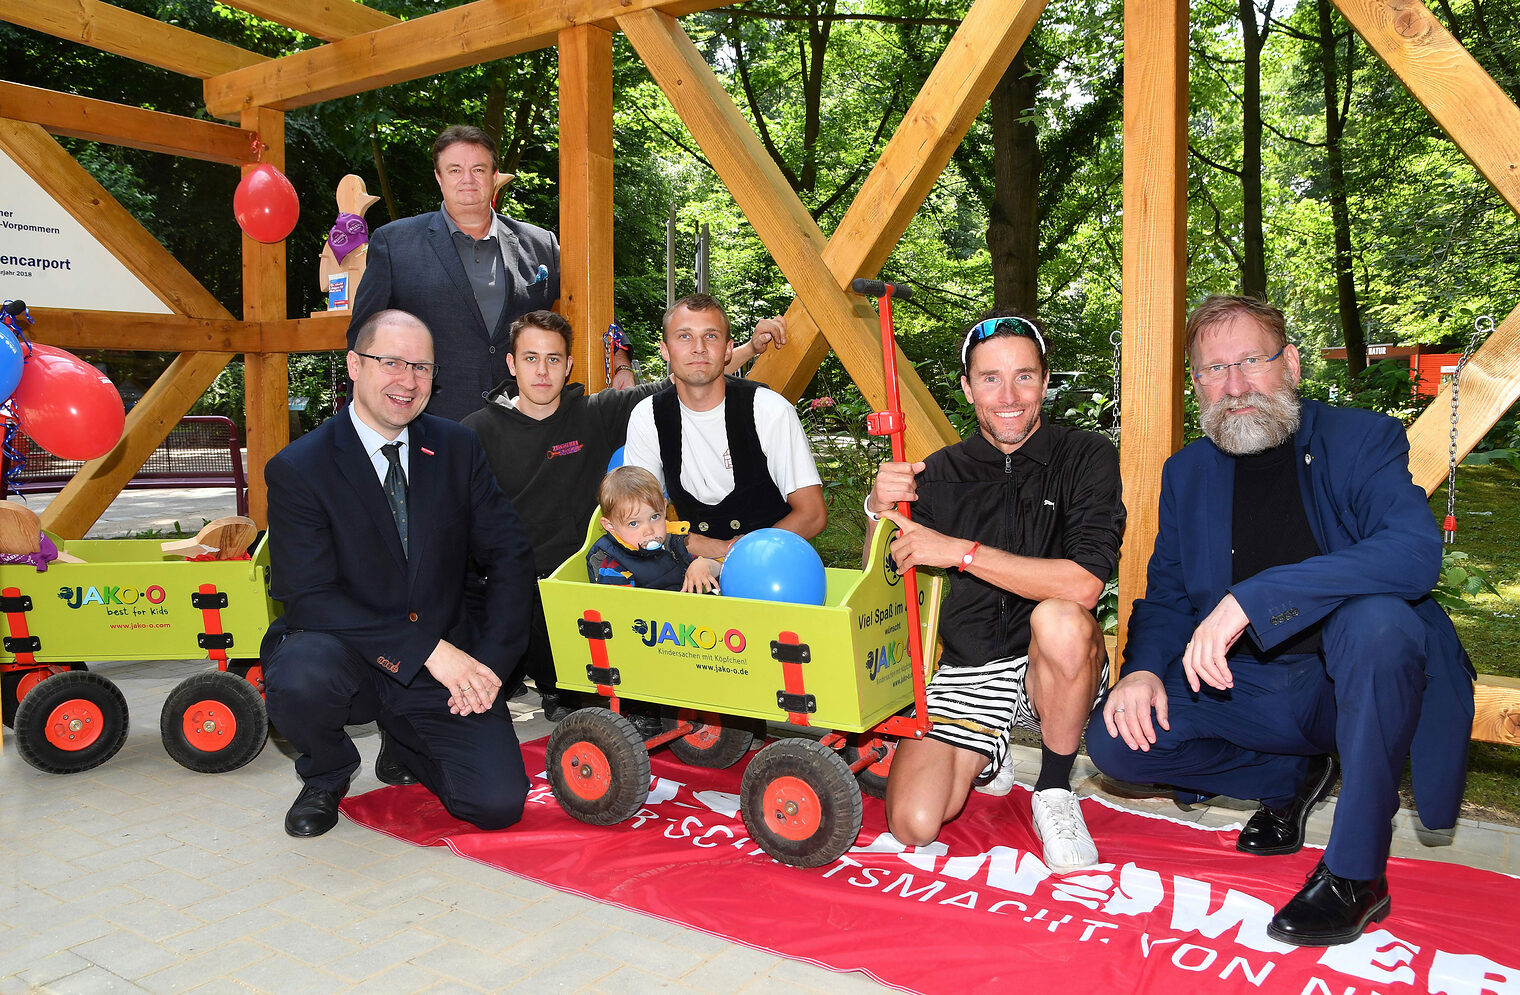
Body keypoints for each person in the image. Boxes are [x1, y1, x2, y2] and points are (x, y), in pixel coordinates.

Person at [1086, 294, 1473, 946]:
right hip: (1250, 687)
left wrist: (1254, 598)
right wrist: (1143, 669)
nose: (1234, 386)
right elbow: (1170, 594)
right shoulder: (1188, 472)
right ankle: (1290, 777)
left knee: (1377, 620)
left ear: (1289, 363)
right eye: (1213, 370)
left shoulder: (1360, 438)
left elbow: (1412, 555)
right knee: (1118, 740)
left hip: (1352, 681)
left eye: (1250, 362)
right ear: (1197, 384)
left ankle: (1355, 876)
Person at [261, 309, 536, 838]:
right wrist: (431, 652)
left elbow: (510, 556)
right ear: (354, 366)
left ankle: (407, 739)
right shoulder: (300, 468)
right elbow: (308, 595)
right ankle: (327, 773)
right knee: (299, 676)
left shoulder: (458, 447)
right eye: (391, 362)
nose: (408, 381)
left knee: (497, 803)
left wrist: (491, 669)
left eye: (422, 368)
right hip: (350, 656)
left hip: (443, 664)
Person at [865, 312, 1124, 871]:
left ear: (1046, 381)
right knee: (913, 823)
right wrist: (877, 508)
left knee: (1059, 618)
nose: (1008, 395)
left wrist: (960, 552)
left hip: (1054, 665)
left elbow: (1084, 584)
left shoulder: (1087, 457)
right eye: (990, 378)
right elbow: (884, 569)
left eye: (1024, 376)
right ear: (967, 387)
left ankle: (1054, 789)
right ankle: (988, 750)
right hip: (969, 669)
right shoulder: (935, 472)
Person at [461, 309, 783, 718]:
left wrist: (753, 347)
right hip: (512, 584)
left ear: (568, 365)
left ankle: (557, 682)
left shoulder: (596, 412)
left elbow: (685, 375)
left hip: (590, 581)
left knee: (581, 689)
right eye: (530, 358)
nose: (542, 371)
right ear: (511, 363)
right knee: (496, 675)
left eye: (553, 359)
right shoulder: (475, 431)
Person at [347, 124, 633, 422]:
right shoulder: (395, 244)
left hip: (521, 424)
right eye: (455, 170)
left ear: (495, 177)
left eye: (479, 169)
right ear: (439, 177)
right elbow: (362, 338)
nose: (468, 180)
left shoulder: (540, 243)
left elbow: (591, 302)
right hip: (431, 425)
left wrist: (621, 361)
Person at [623, 293, 826, 559]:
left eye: (711, 336)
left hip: (773, 564)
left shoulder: (769, 409)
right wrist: (716, 553)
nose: (699, 347)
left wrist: (737, 558)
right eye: (684, 336)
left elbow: (812, 515)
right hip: (689, 568)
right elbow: (637, 521)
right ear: (664, 350)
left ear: (728, 349)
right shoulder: (646, 416)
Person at [587, 466, 722, 591]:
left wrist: (706, 565)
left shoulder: (673, 544)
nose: (649, 530)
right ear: (611, 526)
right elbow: (622, 611)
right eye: (634, 524)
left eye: (654, 517)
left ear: (664, 508)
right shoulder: (613, 567)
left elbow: (720, 571)